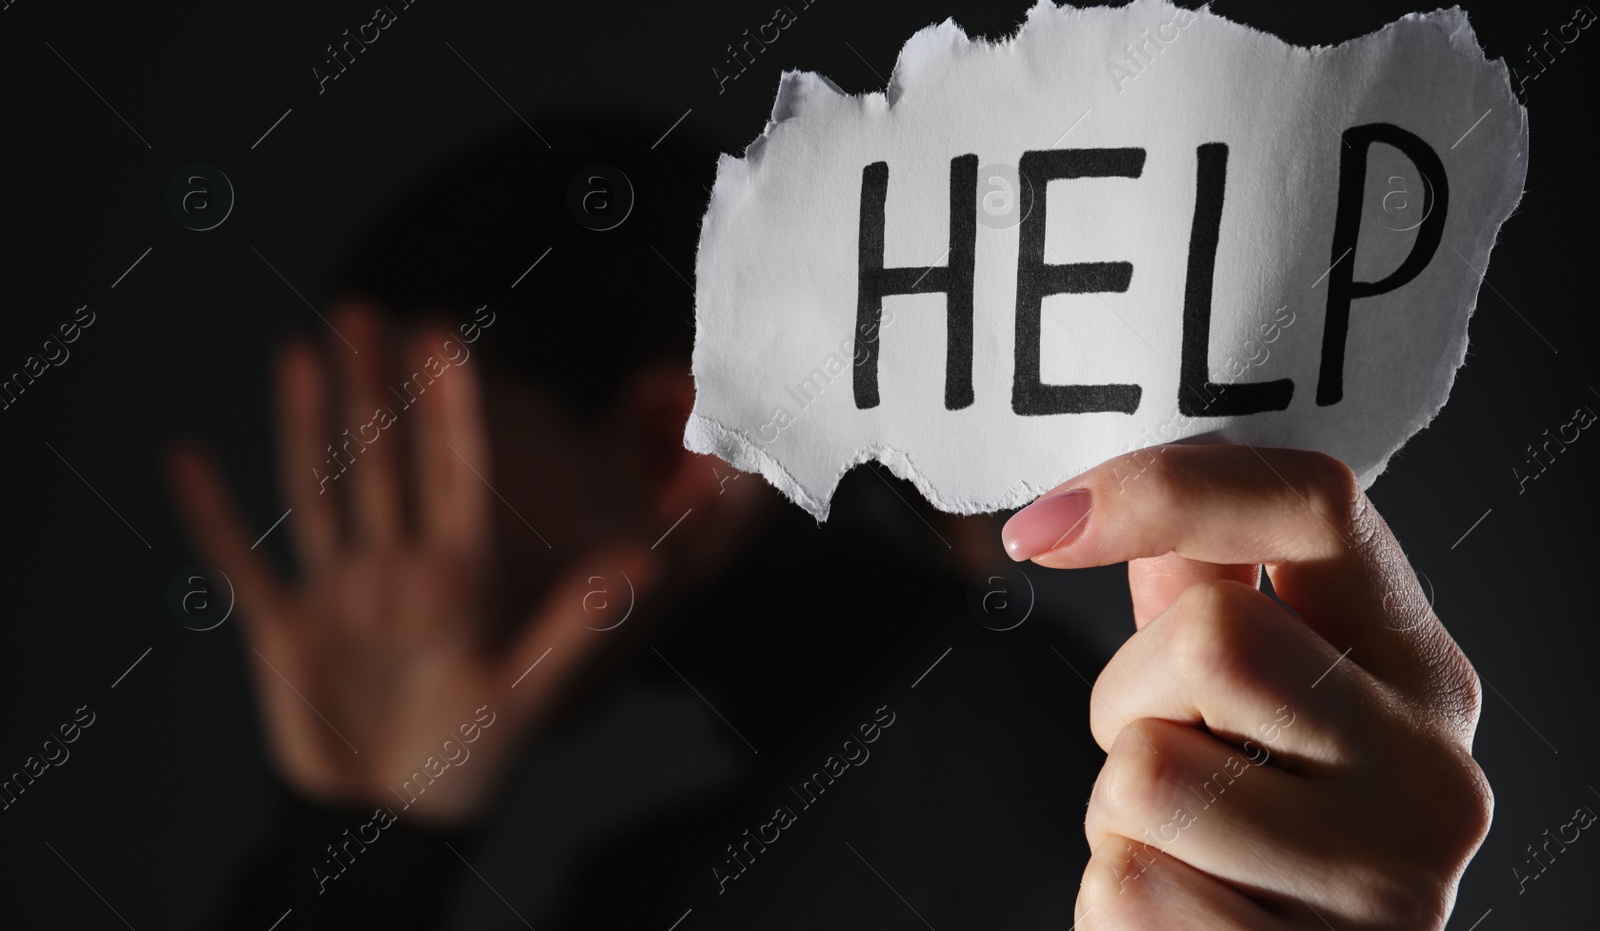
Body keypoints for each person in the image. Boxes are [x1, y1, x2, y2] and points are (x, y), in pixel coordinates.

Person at [166, 113, 1491, 930]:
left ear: (665, 446)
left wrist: (360, 849)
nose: (358, 575)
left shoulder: (956, 780)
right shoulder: (962, 745)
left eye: (401, 482)